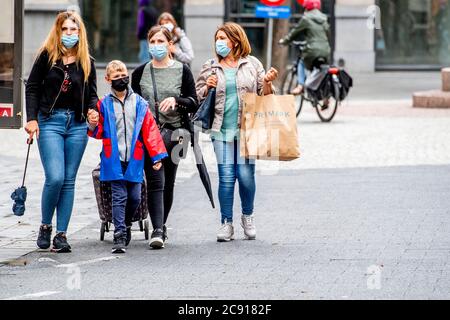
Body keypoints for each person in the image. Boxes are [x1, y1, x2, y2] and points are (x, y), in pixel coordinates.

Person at [196, 22, 278, 242]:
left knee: (245, 176)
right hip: (220, 129)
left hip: (246, 130)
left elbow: (264, 95)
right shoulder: (211, 65)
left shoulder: (252, 64)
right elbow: (198, 97)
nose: (219, 42)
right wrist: (208, 87)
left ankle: (247, 216)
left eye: (223, 38)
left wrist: (268, 82)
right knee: (226, 176)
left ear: (235, 39)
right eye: (217, 39)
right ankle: (226, 223)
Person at [25, 11, 98, 253]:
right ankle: (46, 225)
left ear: (80, 33)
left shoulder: (87, 61)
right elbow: (32, 87)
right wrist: (32, 119)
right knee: (55, 177)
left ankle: (61, 234)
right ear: (59, 31)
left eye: (73, 30)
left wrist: (92, 110)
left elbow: (93, 95)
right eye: (65, 29)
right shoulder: (47, 56)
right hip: (50, 122)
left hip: (76, 125)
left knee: (68, 181)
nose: (69, 34)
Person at [88, 60, 167, 254]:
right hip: (113, 158)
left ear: (128, 74)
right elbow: (97, 132)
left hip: (135, 158)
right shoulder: (103, 104)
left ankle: (127, 223)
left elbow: (150, 131)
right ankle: (120, 235)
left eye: (123, 74)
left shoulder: (140, 103)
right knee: (119, 196)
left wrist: (156, 157)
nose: (121, 78)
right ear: (108, 80)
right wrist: (91, 123)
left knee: (134, 197)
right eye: (115, 77)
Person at [131, 26, 198, 248]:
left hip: (178, 134)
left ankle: (162, 224)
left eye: (161, 41)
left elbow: (193, 102)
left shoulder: (183, 70)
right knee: (155, 180)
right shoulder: (140, 73)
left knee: (169, 181)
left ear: (170, 45)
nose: (156, 46)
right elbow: (134, 104)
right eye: (153, 41)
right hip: (149, 135)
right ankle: (158, 230)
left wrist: (177, 100)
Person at [279, 0, 331, 95]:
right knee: (321, 69)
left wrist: (285, 41)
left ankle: (300, 86)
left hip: (312, 50)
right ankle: (324, 96)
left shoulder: (306, 18)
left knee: (302, 62)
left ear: (306, 7)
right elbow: (328, 33)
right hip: (325, 50)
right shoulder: (324, 18)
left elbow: (295, 32)